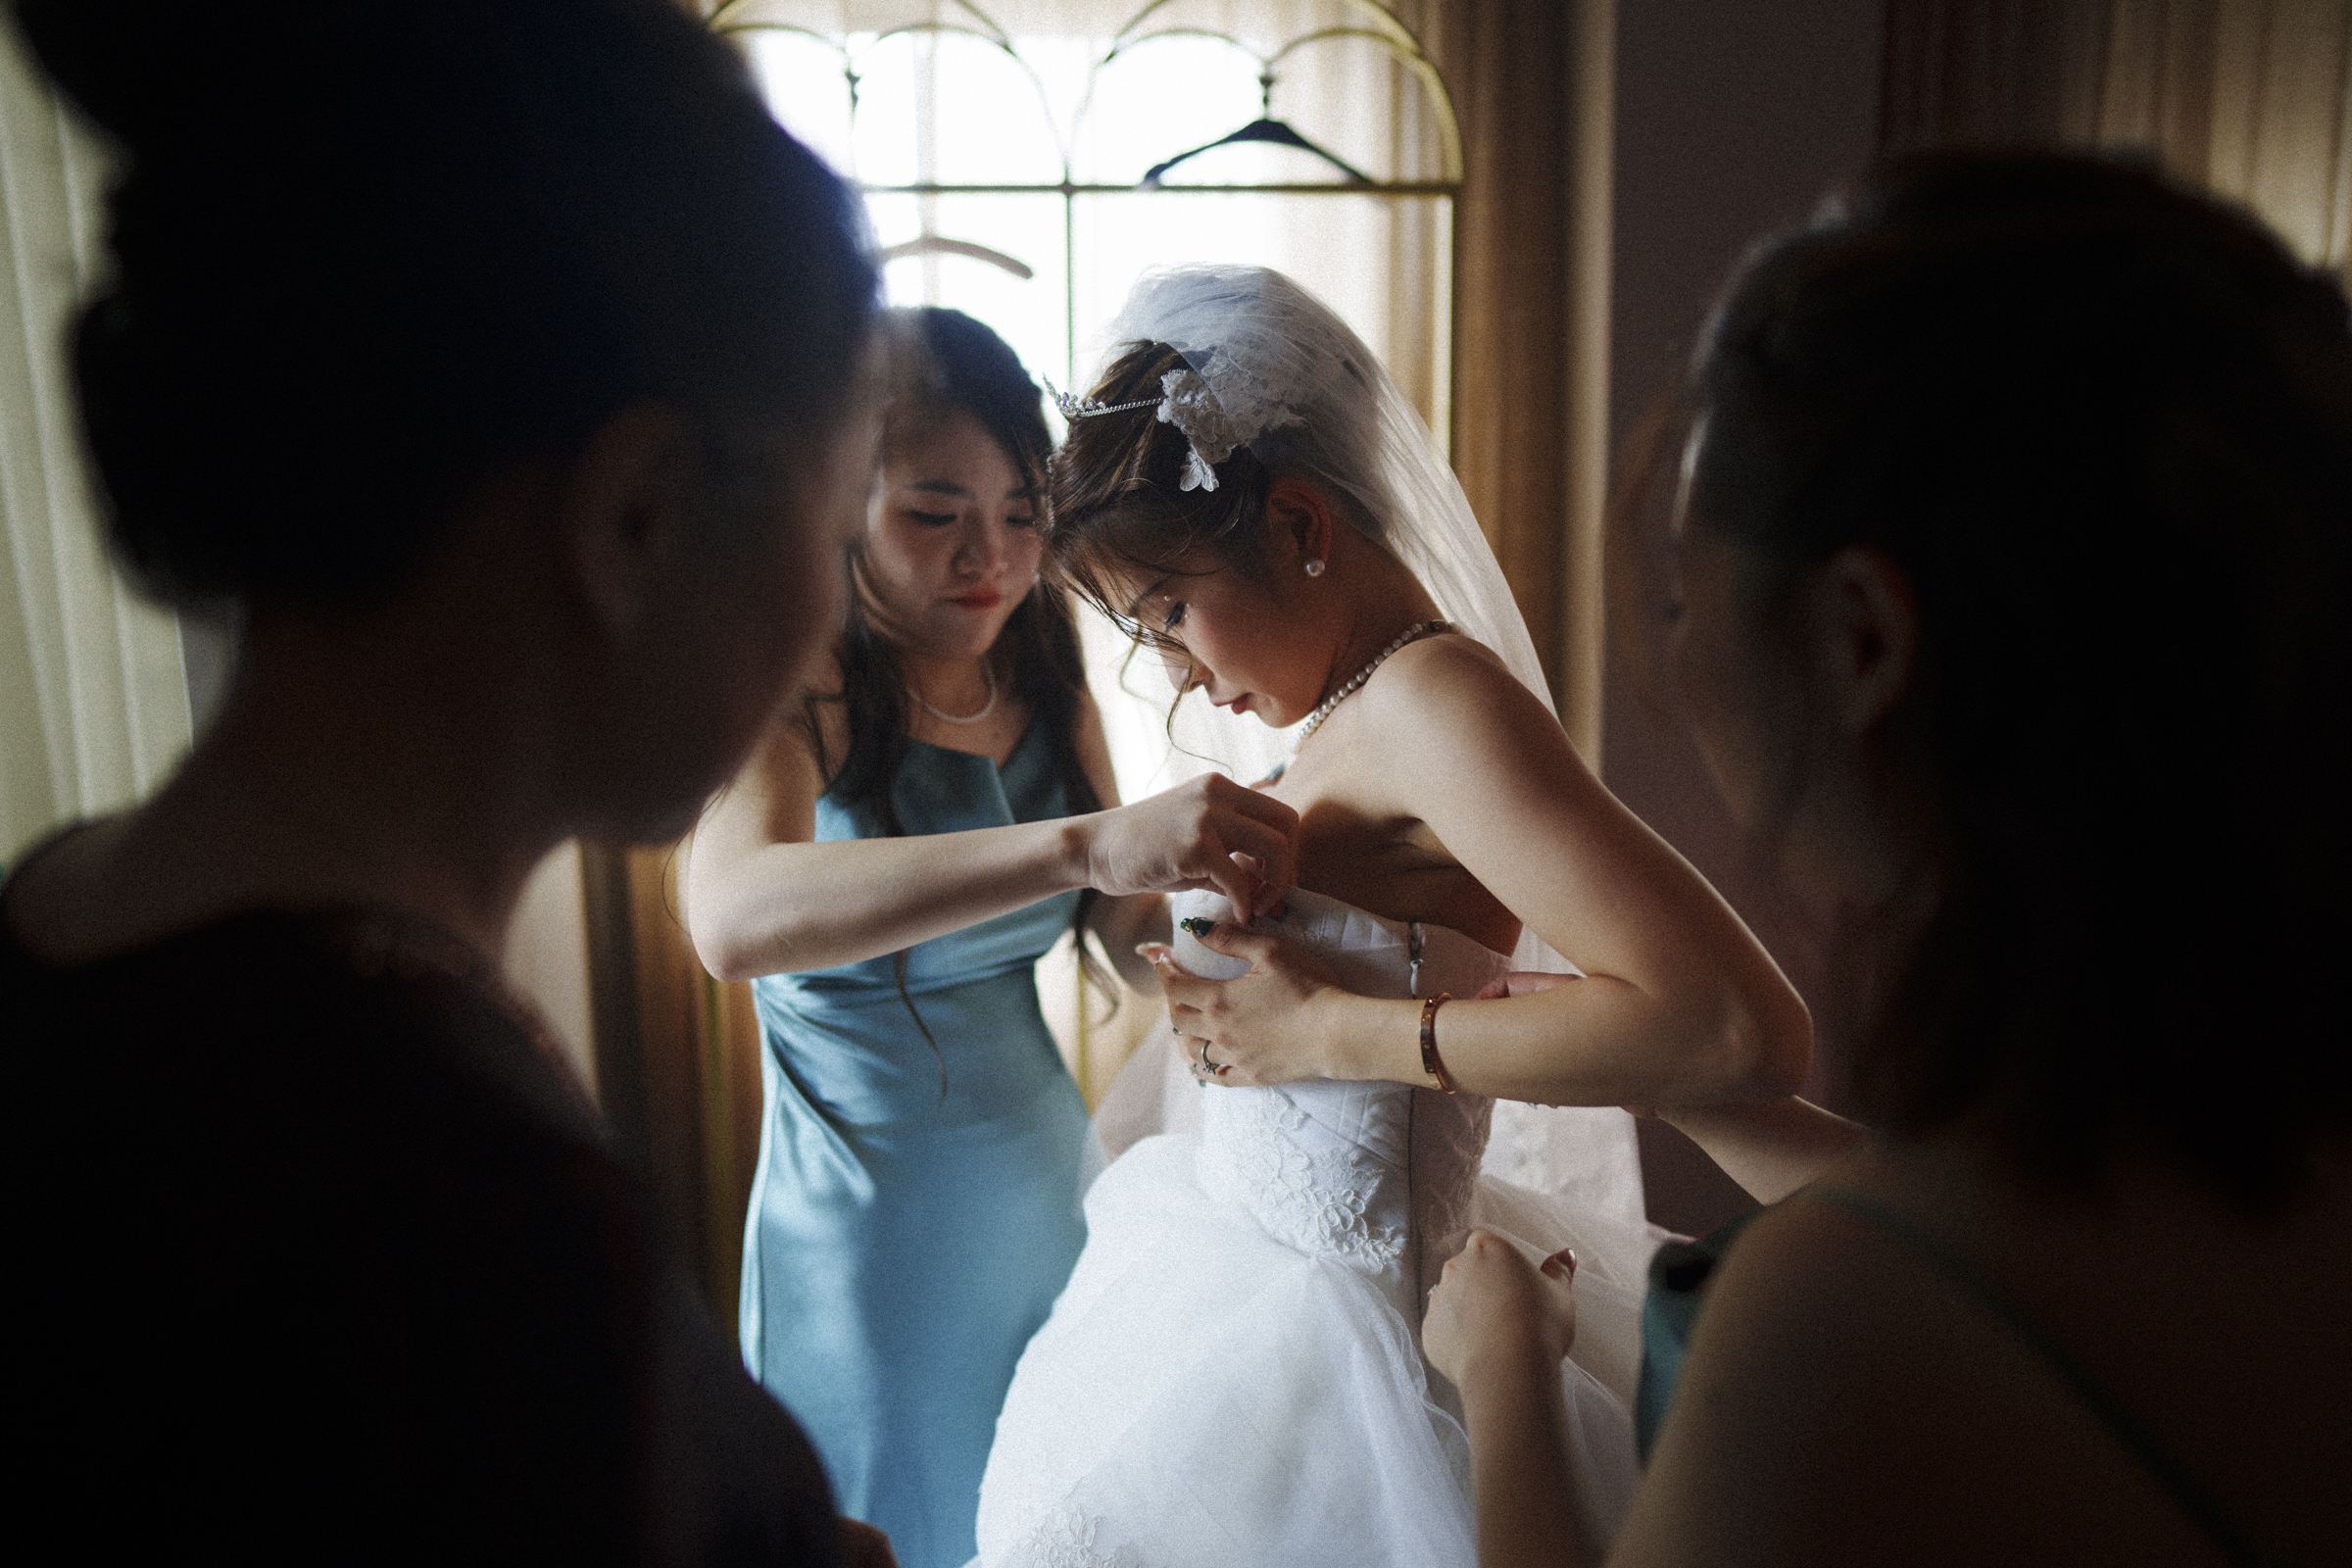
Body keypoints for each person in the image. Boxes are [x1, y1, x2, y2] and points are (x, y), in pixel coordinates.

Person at [3, 0, 889, 1560]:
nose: (831, 615)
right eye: (836, 532)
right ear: (640, 519)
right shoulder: (450, 1220)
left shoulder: (64, 913)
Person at [1423, 150, 2352, 1567]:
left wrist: (1505, 1376)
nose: (1670, 656)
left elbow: (1967, 1287)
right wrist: (1703, 1096)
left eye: (1684, 597)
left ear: (1859, 640)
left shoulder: (1831, 1331)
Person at [968, 266, 1812, 1568]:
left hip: (1352, 1336)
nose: (1181, 671)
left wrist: (1330, 1034)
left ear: (1300, 521)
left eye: (1173, 613)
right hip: (1233, 1283)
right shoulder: (1359, 712)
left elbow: (1737, 1030)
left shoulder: (1431, 704)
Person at [682, 307, 1300, 1568]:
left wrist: (1248, 928)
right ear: (841, 500)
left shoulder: (1040, 664)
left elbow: (1122, 926)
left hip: (1047, 1182)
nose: (992, 558)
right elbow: (729, 919)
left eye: (1023, 514)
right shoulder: (796, 685)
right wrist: (1082, 843)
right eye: (933, 513)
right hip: (868, 1238)